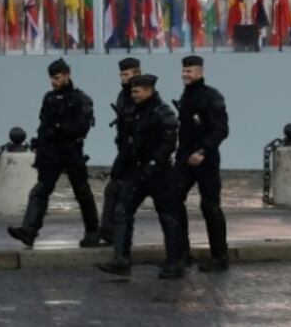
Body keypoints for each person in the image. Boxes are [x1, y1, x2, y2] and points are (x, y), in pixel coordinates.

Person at [95, 74, 183, 279]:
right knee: (121, 211)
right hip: (137, 171)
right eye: (132, 91)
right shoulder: (133, 112)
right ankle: (121, 260)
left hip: (159, 173)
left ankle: (175, 262)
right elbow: (127, 144)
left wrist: (154, 164)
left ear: (148, 90)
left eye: (136, 91)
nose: (133, 95)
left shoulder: (163, 112)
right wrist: (119, 169)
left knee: (168, 216)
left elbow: (169, 143)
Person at [7, 58, 100, 248]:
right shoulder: (49, 98)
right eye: (51, 78)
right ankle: (29, 230)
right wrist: (41, 142)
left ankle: (92, 232)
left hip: (71, 151)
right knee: (40, 191)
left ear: (67, 75)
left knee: (82, 192)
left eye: (57, 78)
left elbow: (81, 127)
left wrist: (58, 128)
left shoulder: (81, 99)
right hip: (50, 153)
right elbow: (44, 124)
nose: (53, 82)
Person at [171, 55, 231, 272]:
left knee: (210, 206)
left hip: (206, 159)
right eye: (184, 71)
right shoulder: (186, 96)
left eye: (190, 71)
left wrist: (203, 150)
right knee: (173, 200)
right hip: (185, 157)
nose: (186, 75)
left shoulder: (212, 97)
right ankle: (181, 253)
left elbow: (221, 130)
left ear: (200, 72)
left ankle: (219, 257)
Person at [98, 57, 142, 245]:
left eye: (126, 74)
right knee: (113, 189)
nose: (123, 78)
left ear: (136, 73)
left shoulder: (142, 93)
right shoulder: (122, 95)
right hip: (125, 152)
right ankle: (109, 230)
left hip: (142, 154)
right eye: (122, 74)